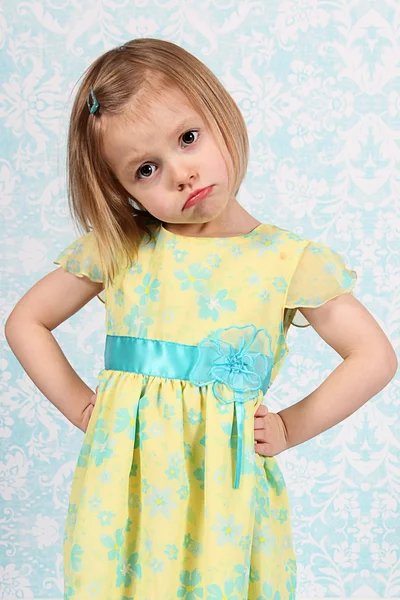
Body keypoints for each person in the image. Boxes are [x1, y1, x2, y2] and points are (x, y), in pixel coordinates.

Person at [4, 38, 397, 600]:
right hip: (125, 492)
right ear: (120, 189)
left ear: (222, 114)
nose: (181, 174)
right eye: (146, 169)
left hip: (225, 495)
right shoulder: (124, 250)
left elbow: (374, 357)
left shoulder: (285, 260)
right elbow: (26, 321)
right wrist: (82, 406)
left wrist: (289, 427)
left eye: (188, 138)